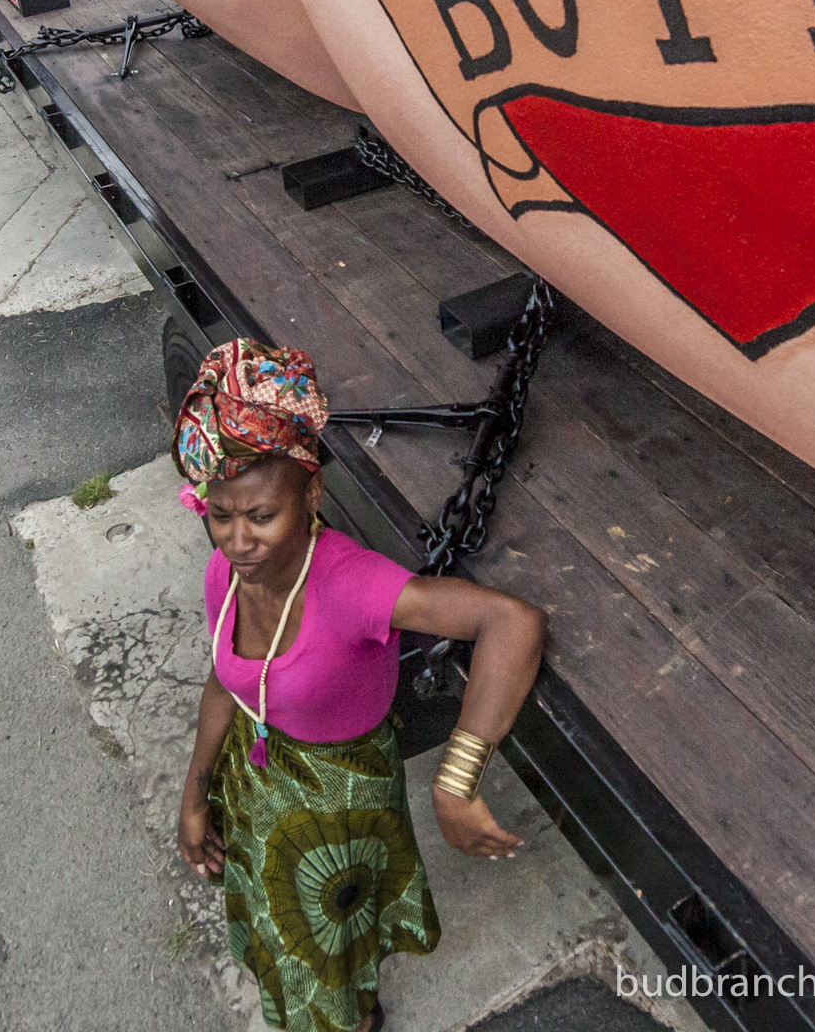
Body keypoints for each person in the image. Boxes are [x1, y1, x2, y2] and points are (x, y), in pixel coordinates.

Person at [173, 339, 547, 1032]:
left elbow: (512, 622)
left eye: (261, 516)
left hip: (339, 819)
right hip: (256, 792)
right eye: (220, 516)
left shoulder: (351, 584)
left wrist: (456, 780)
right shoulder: (226, 574)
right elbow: (226, 685)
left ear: (312, 494)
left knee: (330, 958)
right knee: (281, 932)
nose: (237, 541)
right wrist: (194, 798)